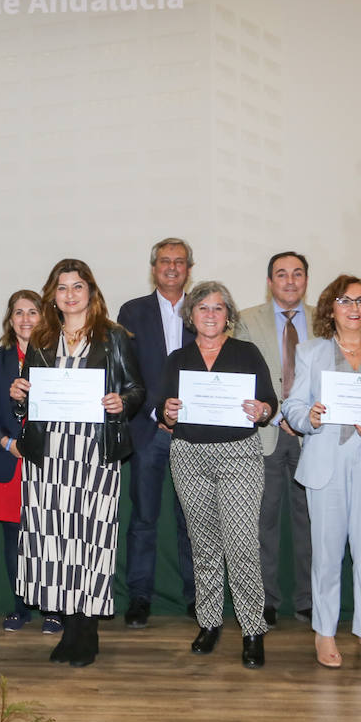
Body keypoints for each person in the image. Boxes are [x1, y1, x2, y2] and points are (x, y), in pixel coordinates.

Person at [10, 260, 144, 667]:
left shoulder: (114, 337)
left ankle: (88, 631)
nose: (70, 294)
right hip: (48, 454)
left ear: (91, 292)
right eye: (62, 287)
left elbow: (138, 388)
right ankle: (68, 628)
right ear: (54, 294)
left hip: (94, 451)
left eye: (78, 286)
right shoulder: (42, 339)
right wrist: (19, 396)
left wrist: (123, 402)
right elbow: (30, 402)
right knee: (53, 540)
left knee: (90, 538)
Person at [281, 275, 361, 670]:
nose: (353, 308)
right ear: (331, 308)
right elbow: (291, 407)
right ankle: (324, 632)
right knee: (326, 554)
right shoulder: (310, 351)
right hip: (327, 461)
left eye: (360, 301)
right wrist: (311, 416)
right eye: (344, 301)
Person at [161, 281, 277, 668]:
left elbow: (269, 404)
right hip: (189, 454)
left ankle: (252, 629)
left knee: (241, 544)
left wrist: (261, 411)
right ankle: (209, 622)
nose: (210, 315)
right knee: (204, 544)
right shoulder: (178, 358)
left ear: (229, 314)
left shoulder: (246, 352)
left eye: (218, 308)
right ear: (190, 315)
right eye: (203, 308)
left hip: (238, 455)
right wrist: (168, 412)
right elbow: (164, 407)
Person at [116, 237, 198, 627]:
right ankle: (140, 597)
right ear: (154, 268)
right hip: (147, 430)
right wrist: (155, 412)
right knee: (144, 519)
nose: (171, 267)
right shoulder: (132, 312)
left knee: (193, 519)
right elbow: (127, 371)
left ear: (188, 268)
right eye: (164, 261)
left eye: (179, 262)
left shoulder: (203, 310)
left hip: (193, 433)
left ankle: (199, 597)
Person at [0, 290, 61, 634]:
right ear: (10, 320)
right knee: (15, 538)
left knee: (50, 536)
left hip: (51, 460)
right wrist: (6, 441)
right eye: (18, 313)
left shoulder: (60, 358)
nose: (25, 319)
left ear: (44, 318)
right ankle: (20, 605)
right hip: (8, 458)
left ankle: (55, 609)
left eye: (33, 312)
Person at [234, 251, 314, 627]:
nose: (290, 281)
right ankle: (265, 599)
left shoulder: (324, 321)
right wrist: (281, 413)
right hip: (266, 432)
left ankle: (309, 600)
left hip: (314, 436)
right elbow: (247, 374)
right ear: (270, 282)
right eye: (282, 274)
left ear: (306, 280)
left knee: (310, 522)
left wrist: (301, 417)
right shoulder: (247, 320)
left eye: (297, 274)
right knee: (263, 522)